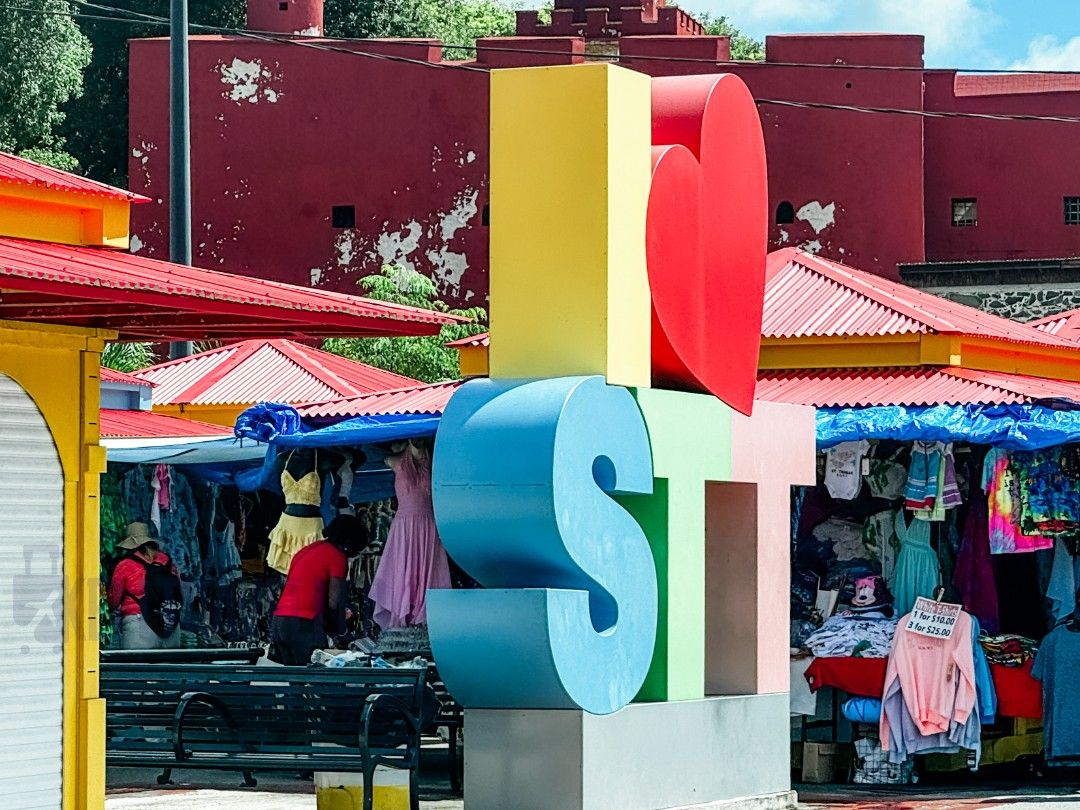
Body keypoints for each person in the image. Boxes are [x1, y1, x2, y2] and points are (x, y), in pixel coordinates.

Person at [270, 514, 370, 665]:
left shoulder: (307, 550)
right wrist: (343, 634)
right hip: (304, 623)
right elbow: (334, 603)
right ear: (350, 543)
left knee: (294, 675)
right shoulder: (337, 557)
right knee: (317, 673)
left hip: (280, 622)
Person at [107, 522, 183, 649]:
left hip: (138, 625)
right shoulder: (168, 562)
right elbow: (179, 591)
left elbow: (114, 600)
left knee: (137, 662)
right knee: (169, 662)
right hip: (170, 625)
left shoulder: (125, 565)